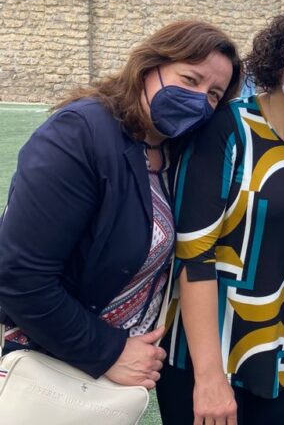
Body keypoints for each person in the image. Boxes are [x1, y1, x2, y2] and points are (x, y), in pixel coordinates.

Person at [0, 21, 240, 388]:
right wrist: (108, 351)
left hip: (120, 377)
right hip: (57, 366)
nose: (199, 98)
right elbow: (19, 275)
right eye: (190, 79)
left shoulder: (175, 152)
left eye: (213, 95)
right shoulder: (80, 133)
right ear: (149, 67)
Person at [156, 4, 284, 425]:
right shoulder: (228, 129)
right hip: (210, 355)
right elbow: (194, 255)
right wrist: (209, 377)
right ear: (278, 61)